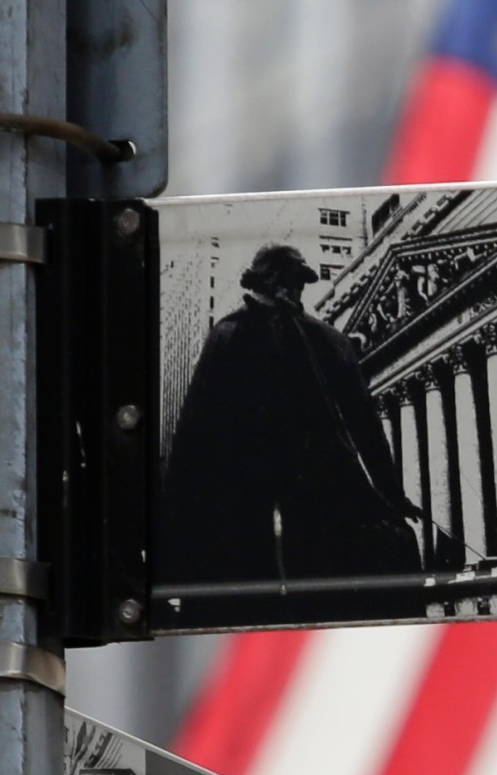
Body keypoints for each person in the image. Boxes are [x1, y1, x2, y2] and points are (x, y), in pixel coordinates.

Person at [159, 243, 427, 587]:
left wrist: (392, 494)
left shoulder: (322, 340)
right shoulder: (231, 335)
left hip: (307, 496)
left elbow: (365, 425)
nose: (295, 290)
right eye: (288, 281)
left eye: (298, 282)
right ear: (266, 282)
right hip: (258, 499)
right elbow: (194, 435)